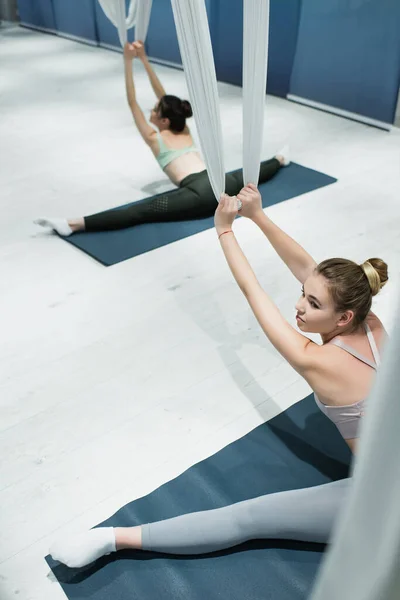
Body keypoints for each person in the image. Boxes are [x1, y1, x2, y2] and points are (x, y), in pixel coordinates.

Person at [49, 184, 388, 568]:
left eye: (312, 304)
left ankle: (113, 540)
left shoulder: (319, 360)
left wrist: (225, 230)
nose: (299, 306)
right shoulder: (370, 321)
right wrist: (257, 215)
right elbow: (310, 270)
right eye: (302, 294)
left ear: (343, 317)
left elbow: (252, 290)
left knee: (250, 517)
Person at [34, 42, 288, 237]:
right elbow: (167, 100)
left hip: (200, 194)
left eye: (155, 111)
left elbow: (132, 101)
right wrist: (143, 60)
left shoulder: (154, 138)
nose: (151, 111)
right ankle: (279, 158)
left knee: (141, 212)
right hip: (223, 179)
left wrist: (127, 62)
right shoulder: (182, 128)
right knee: (252, 175)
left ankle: (73, 224)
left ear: (164, 120)